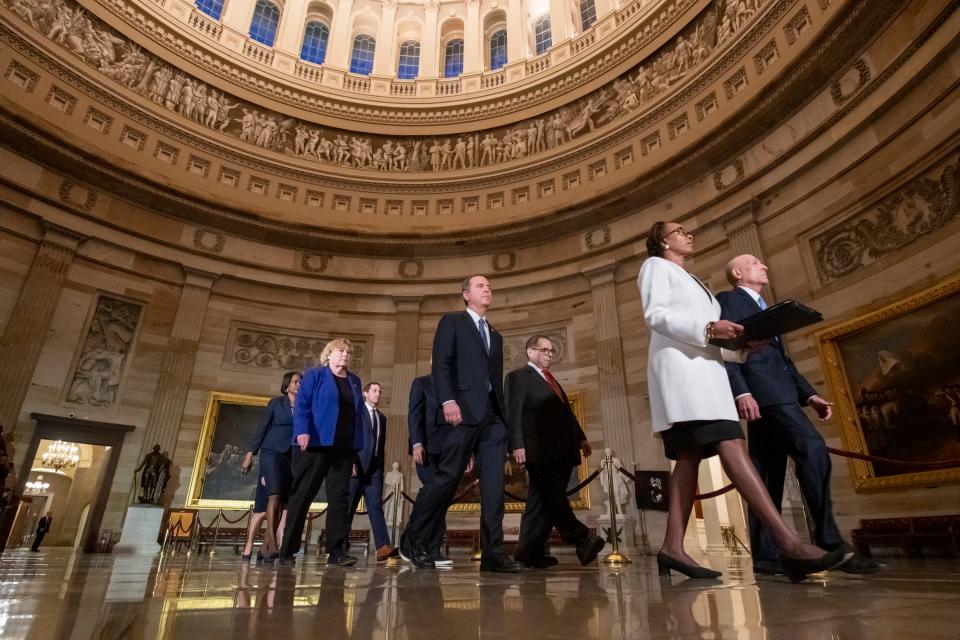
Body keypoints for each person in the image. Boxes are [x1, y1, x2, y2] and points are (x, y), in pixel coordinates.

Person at [637, 221, 851, 582]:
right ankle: (788, 543)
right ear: (662, 240)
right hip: (683, 375)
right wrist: (709, 329)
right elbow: (655, 316)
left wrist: (738, 344)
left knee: (688, 458)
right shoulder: (655, 266)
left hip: (703, 372)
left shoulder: (697, 283)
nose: (689, 234)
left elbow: (709, 332)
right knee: (732, 443)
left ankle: (672, 546)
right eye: (680, 230)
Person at [718, 254, 880, 574]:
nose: (763, 266)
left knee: (766, 475)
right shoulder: (729, 300)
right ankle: (830, 541)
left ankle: (764, 556)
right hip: (765, 395)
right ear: (737, 273)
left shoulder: (766, 307)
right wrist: (741, 391)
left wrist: (809, 393)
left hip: (779, 392)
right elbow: (725, 349)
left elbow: (782, 360)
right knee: (814, 449)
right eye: (754, 263)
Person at [401, 276, 523, 573]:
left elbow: (495, 381)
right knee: (445, 479)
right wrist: (447, 401)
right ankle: (412, 539)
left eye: (490, 286)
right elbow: (441, 364)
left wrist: (508, 427)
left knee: (494, 487)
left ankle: (493, 553)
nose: (488, 289)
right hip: (462, 413)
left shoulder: (496, 335)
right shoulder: (452, 322)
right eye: (481, 286)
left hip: (492, 421)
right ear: (466, 294)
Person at [505, 335, 606, 568]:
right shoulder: (518, 377)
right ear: (530, 352)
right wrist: (517, 445)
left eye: (551, 351)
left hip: (562, 449)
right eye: (544, 350)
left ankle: (528, 552)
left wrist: (581, 438)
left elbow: (564, 411)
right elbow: (513, 412)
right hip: (538, 449)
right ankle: (581, 539)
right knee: (553, 497)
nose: (550, 354)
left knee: (540, 500)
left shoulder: (550, 379)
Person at [277, 339, 366, 567]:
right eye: (341, 351)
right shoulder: (314, 376)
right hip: (315, 445)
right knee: (302, 495)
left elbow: (355, 417)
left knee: (339, 500)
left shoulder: (355, 381)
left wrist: (355, 453)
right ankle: (287, 550)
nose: (346, 354)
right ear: (328, 354)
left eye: (349, 351)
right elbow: (303, 406)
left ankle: (337, 552)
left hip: (344, 448)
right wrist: (302, 432)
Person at [240, 371, 300, 562]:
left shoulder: (305, 407)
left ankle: (266, 549)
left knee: (283, 502)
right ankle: (273, 543)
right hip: (271, 453)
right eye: (296, 382)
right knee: (273, 495)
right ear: (287, 385)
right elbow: (261, 429)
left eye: (301, 382)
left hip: (292, 458)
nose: (299, 385)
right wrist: (250, 454)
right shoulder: (276, 403)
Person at [346, 382, 396, 561]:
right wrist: (350, 462)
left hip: (375, 469)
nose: (378, 394)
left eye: (380, 391)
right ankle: (340, 547)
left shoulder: (382, 417)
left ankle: (383, 546)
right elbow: (350, 438)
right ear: (365, 394)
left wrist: (381, 468)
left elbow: (380, 446)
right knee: (349, 507)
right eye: (374, 391)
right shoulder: (357, 413)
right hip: (357, 466)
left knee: (375, 505)